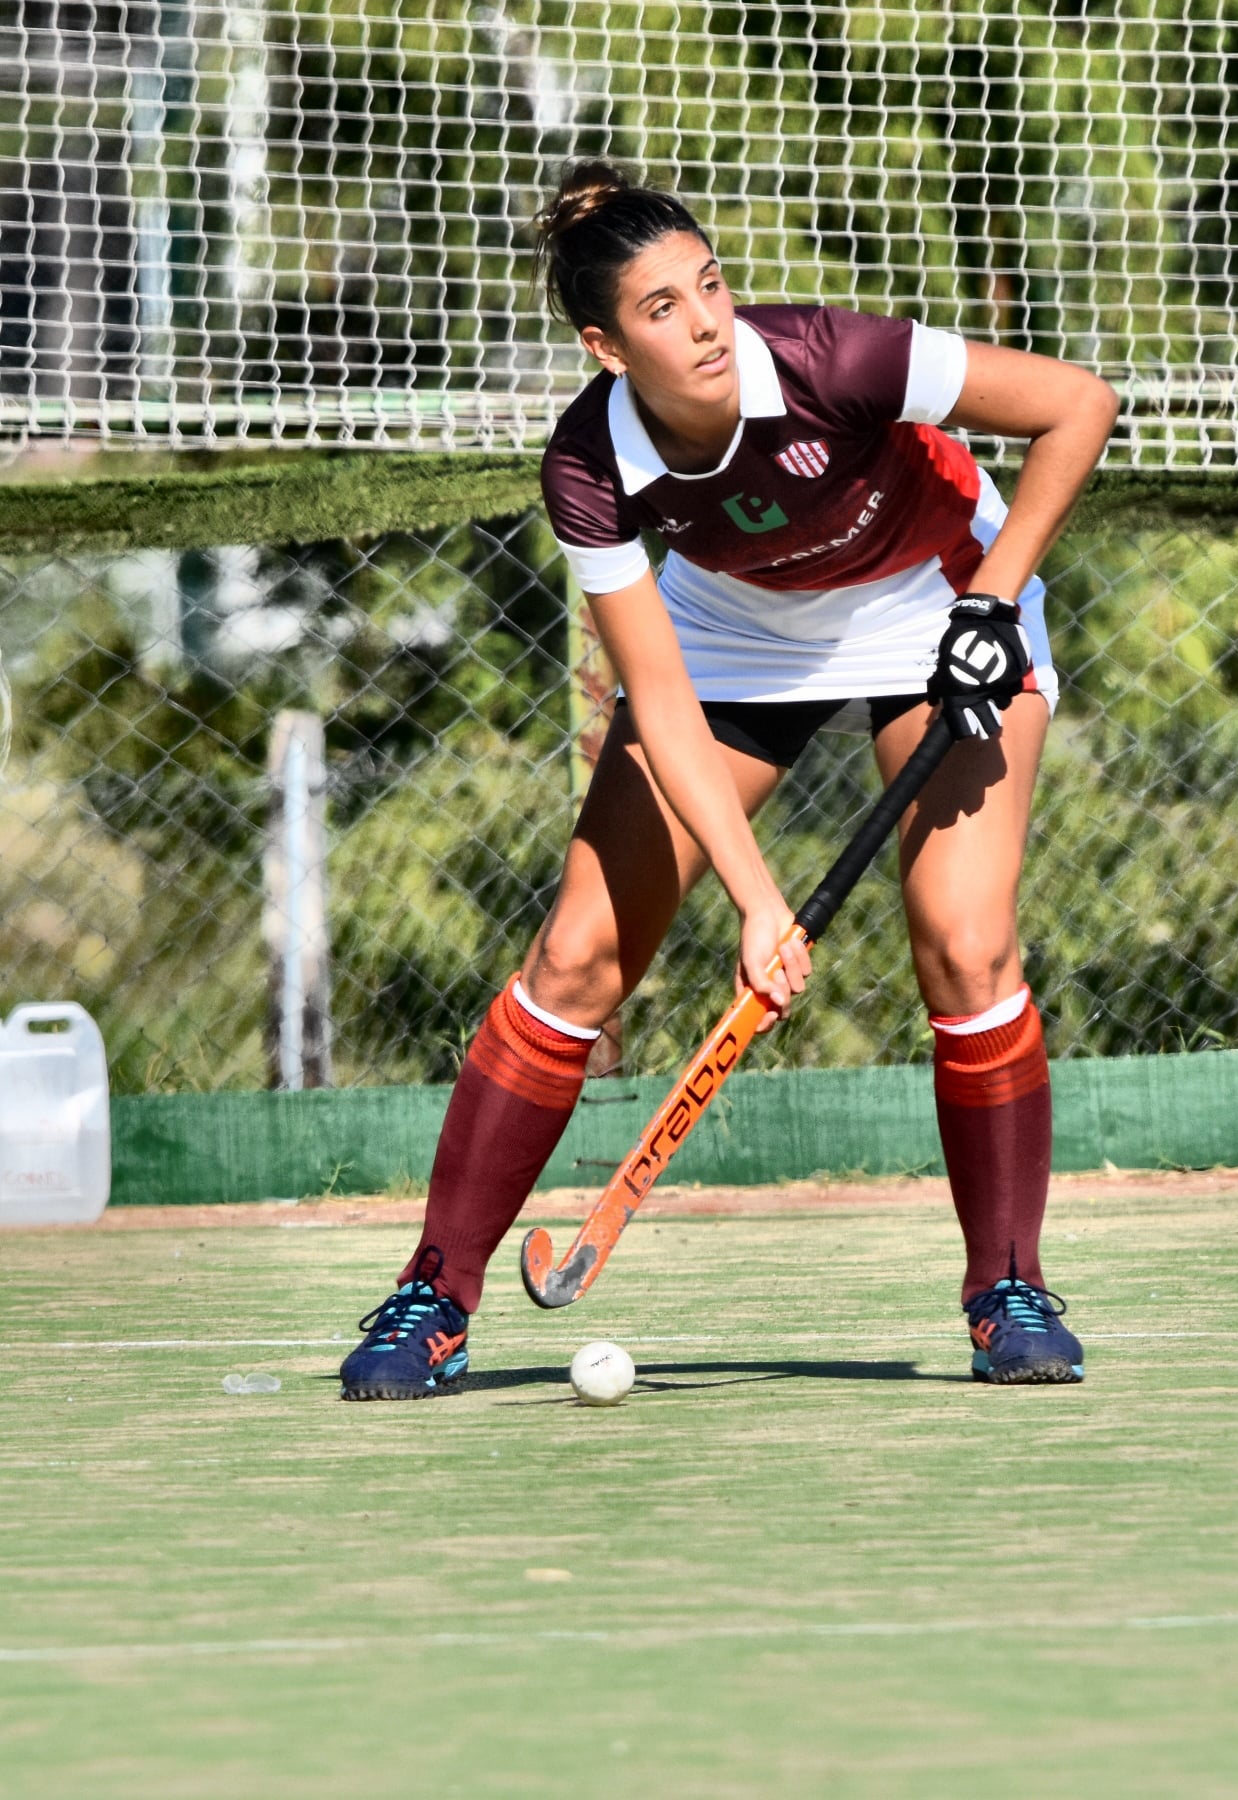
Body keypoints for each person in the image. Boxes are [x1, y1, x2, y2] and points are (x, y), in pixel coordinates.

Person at [339, 161, 1118, 1400]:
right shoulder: (591, 464)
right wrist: (759, 903)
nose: (705, 322)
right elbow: (657, 693)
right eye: (662, 309)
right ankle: (434, 1296)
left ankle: (1007, 1291)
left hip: (933, 601)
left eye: (709, 285)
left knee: (965, 944)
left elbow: (1079, 402)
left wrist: (992, 600)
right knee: (579, 957)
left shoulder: (828, 356)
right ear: (605, 346)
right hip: (735, 634)